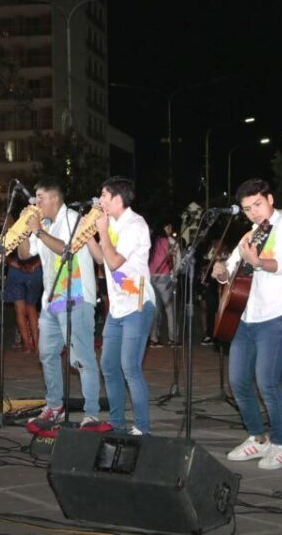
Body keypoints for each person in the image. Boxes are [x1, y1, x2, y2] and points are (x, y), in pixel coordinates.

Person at [213, 178, 282, 470]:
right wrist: (222, 272)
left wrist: (259, 261)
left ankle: (281, 443)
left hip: (275, 317)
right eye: (248, 209)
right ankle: (257, 438)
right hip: (245, 317)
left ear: (270, 199)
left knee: (267, 383)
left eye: (258, 205)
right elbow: (233, 272)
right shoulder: (249, 235)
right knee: (238, 382)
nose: (254, 213)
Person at [19, 179, 102, 425]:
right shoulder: (43, 224)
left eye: (39, 197)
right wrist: (24, 228)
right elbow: (24, 255)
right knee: (46, 353)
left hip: (76, 297)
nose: (35, 202)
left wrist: (38, 231)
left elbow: (66, 250)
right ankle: (55, 406)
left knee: (82, 358)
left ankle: (92, 413)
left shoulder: (74, 219)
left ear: (54, 198)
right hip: (52, 300)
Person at [89, 176, 155, 435]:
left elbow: (114, 262)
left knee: (130, 367)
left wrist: (102, 231)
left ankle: (142, 427)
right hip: (117, 307)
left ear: (117, 199)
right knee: (108, 365)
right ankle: (116, 423)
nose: (100, 201)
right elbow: (101, 259)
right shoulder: (113, 224)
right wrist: (90, 237)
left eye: (104, 196)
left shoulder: (135, 225)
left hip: (137, 304)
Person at [148, 221, 180, 347]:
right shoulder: (170, 241)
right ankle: (173, 338)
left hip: (151, 275)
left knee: (155, 308)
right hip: (164, 275)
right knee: (169, 308)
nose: (170, 228)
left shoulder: (152, 241)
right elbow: (177, 259)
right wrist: (175, 274)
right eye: (168, 226)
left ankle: (154, 338)